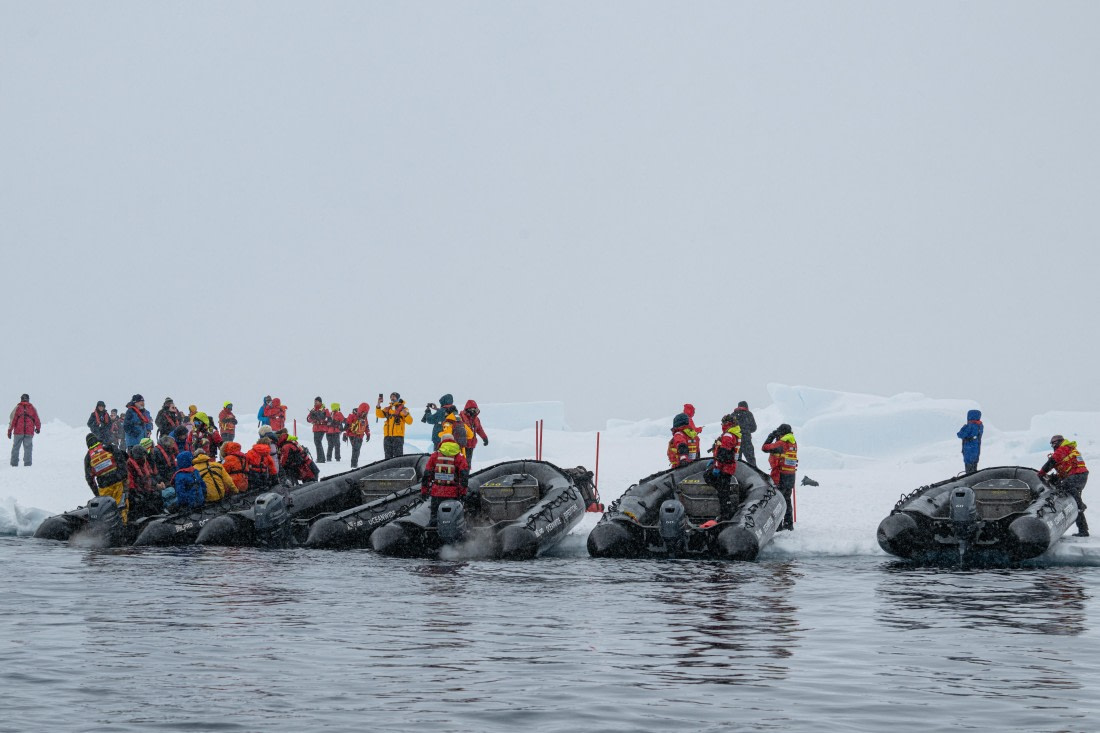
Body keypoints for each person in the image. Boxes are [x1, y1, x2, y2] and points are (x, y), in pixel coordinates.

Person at [1039, 434, 1090, 537]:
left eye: (1054, 443)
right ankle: (1083, 530)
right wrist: (1054, 478)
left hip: (1078, 475)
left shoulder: (1063, 448)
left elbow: (1051, 462)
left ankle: (1081, 505)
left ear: (1058, 442)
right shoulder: (1068, 451)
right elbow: (1067, 470)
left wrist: (1041, 473)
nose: (1053, 446)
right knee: (1074, 501)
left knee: (1066, 486)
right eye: (1052, 444)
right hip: (1078, 476)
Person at [420, 432, 470, 527]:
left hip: (437, 493)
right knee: (452, 518)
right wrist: (463, 493)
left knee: (434, 519)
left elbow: (427, 475)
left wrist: (424, 491)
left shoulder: (435, 456)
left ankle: (433, 537)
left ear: (442, 442)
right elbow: (464, 476)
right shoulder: (459, 457)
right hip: (453, 494)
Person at [84, 433, 129, 521]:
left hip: (104, 487)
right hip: (117, 482)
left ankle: (107, 528)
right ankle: (123, 524)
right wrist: (123, 476)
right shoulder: (108, 447)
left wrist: (97, 494)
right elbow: (121, 458)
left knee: (106, 510)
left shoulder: (88, 457)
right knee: (121, 506)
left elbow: (89, 478)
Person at [762, 424, 798, 531]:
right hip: (790, 475)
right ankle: (788, 524)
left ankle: (778, 526)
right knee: (787, 500)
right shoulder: (793, 443)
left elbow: (764, 448)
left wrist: (771, 436)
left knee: (778, 502)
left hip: (781, 476)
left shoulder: (781, 443)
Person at [708, 414, 743, 521]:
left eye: (722, 423)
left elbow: (724, 453)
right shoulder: (734, 433)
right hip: (729, 467)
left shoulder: (728, 435)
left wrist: (717, 466)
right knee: (724, 490)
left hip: (725, 467)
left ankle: (726, 514)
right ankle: (726, 511)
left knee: (722, 490)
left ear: (726, 423)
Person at [126, 440, 161, 519]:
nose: (145, 458)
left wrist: (156, 484)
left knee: (157, 496)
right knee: (145, 504)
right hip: (137, 492)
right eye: (143, 457)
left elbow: (150, 475)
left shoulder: (144, 461)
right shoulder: (129, 465)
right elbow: (131, 483)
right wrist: (138, 494)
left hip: (146, 489)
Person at [8, 393, 41, 467]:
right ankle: (27, 464)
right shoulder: (32, 408)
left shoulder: (17, 407)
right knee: (28, 448)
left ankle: (14, 464)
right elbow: (37, 419)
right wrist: (38, 428)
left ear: (21, 399)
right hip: (29, 431)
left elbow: (12, 420)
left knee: (16, 447)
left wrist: (9, 431)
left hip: (18, 432)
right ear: (28, 399)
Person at [376, 392, 413, 458]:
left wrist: (406, 414)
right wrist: (378, 403)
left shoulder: (403, 409)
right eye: (391, 397)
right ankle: (388, 468)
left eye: (394, 397)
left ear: (398, 398)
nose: (392, 398)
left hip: (398, 437)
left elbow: (410, 421)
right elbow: (379, 414)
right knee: (387, 457)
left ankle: (398, 468)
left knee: (398, 457)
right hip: (387, 436)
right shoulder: (388, 409)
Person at [460, 400, 489, 467]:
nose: (473, 411)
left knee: (468, 463)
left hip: (471, 445)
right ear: (467, 409)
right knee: (462, 462)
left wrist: (484, 438)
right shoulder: (461, 417)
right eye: (471, 409)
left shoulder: (476, 419)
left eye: (474, 409)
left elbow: (479, 429)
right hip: (462, 445)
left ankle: (466, 475)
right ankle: (461, 475)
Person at [344, 403, 371, 468]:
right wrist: (345, 434)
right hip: (353, 435)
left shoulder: (365, 418)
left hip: (360, 436)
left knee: (357, 450)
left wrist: (368, 434)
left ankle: (354, 464)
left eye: (366, 411)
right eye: (363, 411)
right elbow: (347, 426)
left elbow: (366, 427)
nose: (364, 413)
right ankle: (354, 465)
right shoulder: (352, 416)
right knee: (356, 450)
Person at [957, 409, 983, 474]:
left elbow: (960, 435)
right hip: (976, 449)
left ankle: (969, 481)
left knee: (969, 469)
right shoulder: (980, 426)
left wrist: (963, 427)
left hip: (969, 449)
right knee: (974, 467)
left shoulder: (970, 426)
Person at [734, 401, 758, 467]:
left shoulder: (733, 414)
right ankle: (755, 474)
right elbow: (754, 428)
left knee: (736, 461)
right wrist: (746, 430)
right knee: (751, 461)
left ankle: (737, 475)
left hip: (736, 441)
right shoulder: (748, 414)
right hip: (746, 440)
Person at [307, 397, 331, 463]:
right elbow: (308, 418)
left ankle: (321, 459)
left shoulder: (325, 410)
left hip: (322, 428)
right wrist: (313, 420)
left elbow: (329, 419)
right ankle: (320, 458)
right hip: (315, 428)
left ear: (320, 402)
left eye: (316, 401)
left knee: (318, 442)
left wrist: (321, 421)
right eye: (314, 401)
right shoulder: (313, 410)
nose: (315, 403)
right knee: (317, 442)